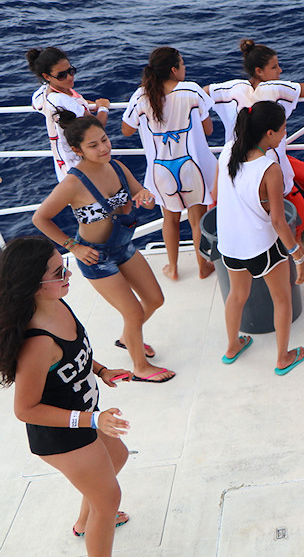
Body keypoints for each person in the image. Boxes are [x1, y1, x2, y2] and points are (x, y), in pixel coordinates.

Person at [1, 237, 133, 556]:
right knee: (108, 499)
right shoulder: (37, 345)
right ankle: (98, 518)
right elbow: (25, 409)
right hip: (61, 436)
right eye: (59, 273)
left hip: (86, 415)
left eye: (65, 267)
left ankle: (85, 522)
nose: (68, 276)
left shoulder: (57, 302)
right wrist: (92, 419)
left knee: (118, 456)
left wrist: (101, 370)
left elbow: (76, 353)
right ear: (34, 284)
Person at [32, 112, 172, 383]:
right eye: (93, 145)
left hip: (122, 246)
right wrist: (73, 247)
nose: (104, 148)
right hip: (95, 256)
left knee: (155, 299)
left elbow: (147, 198)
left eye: (104, 140)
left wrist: (145, 196)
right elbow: (40, 218)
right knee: (132, 311)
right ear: (77, 150)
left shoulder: (118, 167)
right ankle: (140, 367)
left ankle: (128, 337)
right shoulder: (73, 183)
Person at [215, 101, 304, 375]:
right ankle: (283, 357)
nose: (284, 134)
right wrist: (299, 257)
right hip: (262, 247)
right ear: (269, 133)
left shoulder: (227, 151)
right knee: (282, 299)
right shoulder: (270, 169)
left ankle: (232, 347)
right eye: (282, 129)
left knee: (237, 295)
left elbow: (227, 191)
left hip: (230, 245)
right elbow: (279, 222)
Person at [122, 47, 217, 281]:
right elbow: (209, 129)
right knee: (197, 220)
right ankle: (203, 267)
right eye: (182, 64)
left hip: (160, 169)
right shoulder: (191, 90)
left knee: (170, 219)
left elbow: (126, 130)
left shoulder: (141, 96)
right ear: (174, 70)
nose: (185, 68)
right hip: (190, 165)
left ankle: (173, 268)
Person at [206, 39, 304, 235]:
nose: (279, 71)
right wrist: (282, 84)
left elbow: (204, 92)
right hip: (271, 174)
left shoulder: (231, 89)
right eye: (274, 67)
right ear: (259, 71)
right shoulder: (276, 89)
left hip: (237, 171)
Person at [27, 47, 109, 182]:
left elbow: (37, 104)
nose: (69, 77)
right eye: (62, 75)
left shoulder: (43, 93)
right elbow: (97, 126)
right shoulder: (62, 100)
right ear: (46, 76)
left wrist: (84, 105)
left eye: (71, 71)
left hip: (63, 161)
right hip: (78, 163)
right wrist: (103, 108)